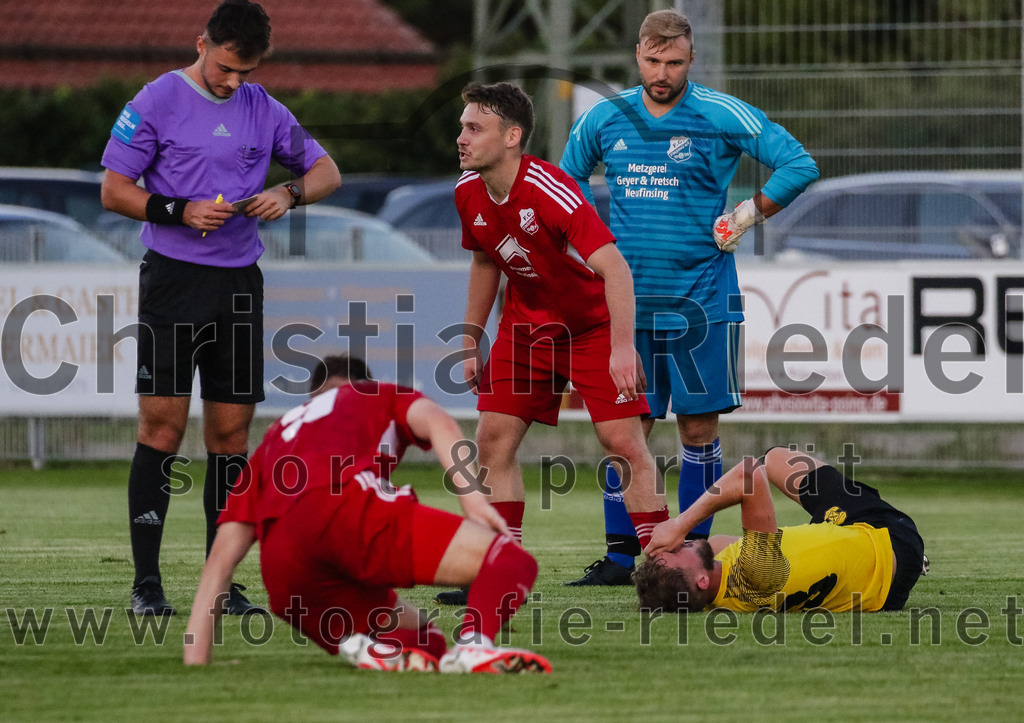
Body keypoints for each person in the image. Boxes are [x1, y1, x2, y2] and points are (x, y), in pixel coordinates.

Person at [559, 9, 819, 586]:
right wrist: (591, 243)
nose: (662, 73)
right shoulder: (605, 116)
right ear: (637, 55)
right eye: (653, 61)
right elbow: (565, 181)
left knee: (698, 430)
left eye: (674, 62)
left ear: (691, 59)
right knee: (626, 433)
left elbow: (798, 163)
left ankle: (690, 553)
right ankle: (620, 558)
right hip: (627, 307)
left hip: (701, 301)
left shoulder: (720, 112)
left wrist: (746, 214)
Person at [100, 0, 342, 616]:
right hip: (173, 282)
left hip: (237, 285)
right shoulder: (156, 99)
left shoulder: (266, 109)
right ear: (201, 44)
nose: (234, 82)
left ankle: (222, 585)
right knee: (162, 428)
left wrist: (289, 192)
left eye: (246, 72)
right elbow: (114, 190)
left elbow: (327, 171)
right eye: (226, 68)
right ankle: (146, 586)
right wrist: (179, 210)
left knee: (231, 435)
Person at [435, 81, 669, 606]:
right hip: (525, 330)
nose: (462, 138)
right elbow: (484, 260)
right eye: (462, 127)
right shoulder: (467, 190)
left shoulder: (549, 189)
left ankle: (665, 567)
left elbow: (615, 268)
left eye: (474, 128)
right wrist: (471, 339)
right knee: (492, 442)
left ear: (512, 136)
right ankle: (502, 571)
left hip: (590, 330)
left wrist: (622, 348)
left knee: (623, 443)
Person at [184, 354, 552, 674]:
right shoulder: (375, 394)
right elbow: (438, 420)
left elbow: (219, 564)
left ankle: (374, 650)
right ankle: (474, 644)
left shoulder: (275, 438)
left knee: (426, 642)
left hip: (287, 577)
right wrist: (473, 499)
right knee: (511, 561)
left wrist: (195, 663)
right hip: (344, 509)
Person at [636, 447, 927, 613]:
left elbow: (720, 544)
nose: (675, 545)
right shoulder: (756, 572)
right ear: (701, 580)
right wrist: (680, 524)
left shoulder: (720, 593)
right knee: (775, 459)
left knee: (726, 539)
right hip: (890, 542)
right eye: (674, 554)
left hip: (869, 577)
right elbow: (749, 475)